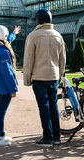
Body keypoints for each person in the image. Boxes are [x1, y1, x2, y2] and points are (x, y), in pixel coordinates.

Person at [23, 9, 66, 147]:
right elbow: (62, 60)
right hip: (53, 76)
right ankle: (57, 137)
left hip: (39, 77)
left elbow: (28, 60)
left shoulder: (33, 36)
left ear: (38, 20)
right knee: (53, 106)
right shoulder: (58, 36)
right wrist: (59, 76)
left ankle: (47, 137)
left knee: (44, 107)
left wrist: (27, 79)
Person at [0, 25, 18, 147]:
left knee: (1, 110)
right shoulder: (4, 52)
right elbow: (7, 73)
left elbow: (7, 40)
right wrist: (13, 89)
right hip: (4, 85)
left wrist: (14, 33)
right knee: (2, 112)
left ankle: (1, 134)